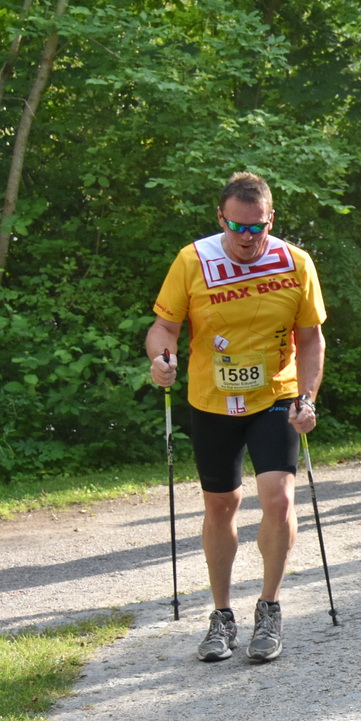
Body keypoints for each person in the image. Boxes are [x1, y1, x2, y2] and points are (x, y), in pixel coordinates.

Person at [146, 172, 326, 664]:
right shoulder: (193, 260)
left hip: (274, 396)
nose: (247, 239)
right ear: (221, 218)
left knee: (278, 498)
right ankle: (221, 615)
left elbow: (310, 338)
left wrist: (307, 398)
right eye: (237, 227)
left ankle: (269, 608)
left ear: (271, 219)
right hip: (212, 400)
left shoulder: (294, 263)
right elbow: (164, 327)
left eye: (257, 228)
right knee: (221, 504)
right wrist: (161, 359)